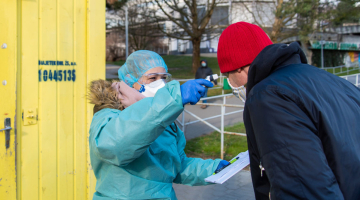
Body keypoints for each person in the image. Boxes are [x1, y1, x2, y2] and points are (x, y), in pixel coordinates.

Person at [217, 22, 360, 199]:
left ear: (239, 68)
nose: (230, 83)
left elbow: (302, 188)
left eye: (227, 75)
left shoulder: (268, 96)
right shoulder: (330, 80)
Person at [88, 50, 230, 200]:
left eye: (164, 78)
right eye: (152, 78)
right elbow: (114, 146)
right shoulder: (108, 115)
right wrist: (172, 98)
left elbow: (176, 165)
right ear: (130, 81)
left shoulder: (162, 117)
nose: (160, 84)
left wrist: (213, 169)